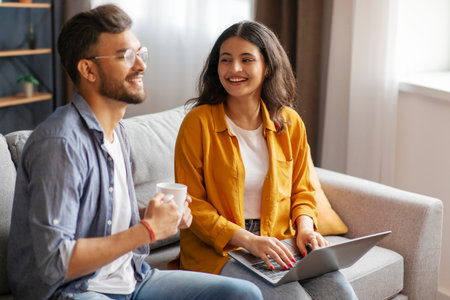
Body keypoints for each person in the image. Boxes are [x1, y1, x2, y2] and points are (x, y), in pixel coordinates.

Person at [6, 5, 263, 300]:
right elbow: (56, 262)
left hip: (134, 277)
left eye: (140, 53)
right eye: (126, 56)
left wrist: (155, 215)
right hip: (74, 291)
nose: (141, 66)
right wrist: (149, 230)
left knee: (242, 295)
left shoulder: (117, 132)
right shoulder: (60, 143)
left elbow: (99, 220)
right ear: (88, 69)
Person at [173, 21, 358, 299]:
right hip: (222, 249)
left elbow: (302, 189)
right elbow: (191, 204)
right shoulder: (197, 123)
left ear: (267, 66)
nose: (234, 69)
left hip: (282, 240)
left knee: (340, 293)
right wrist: (248, 240)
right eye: (226, 60)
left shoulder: (290, 122)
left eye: (246, 59)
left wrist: (305, 228)